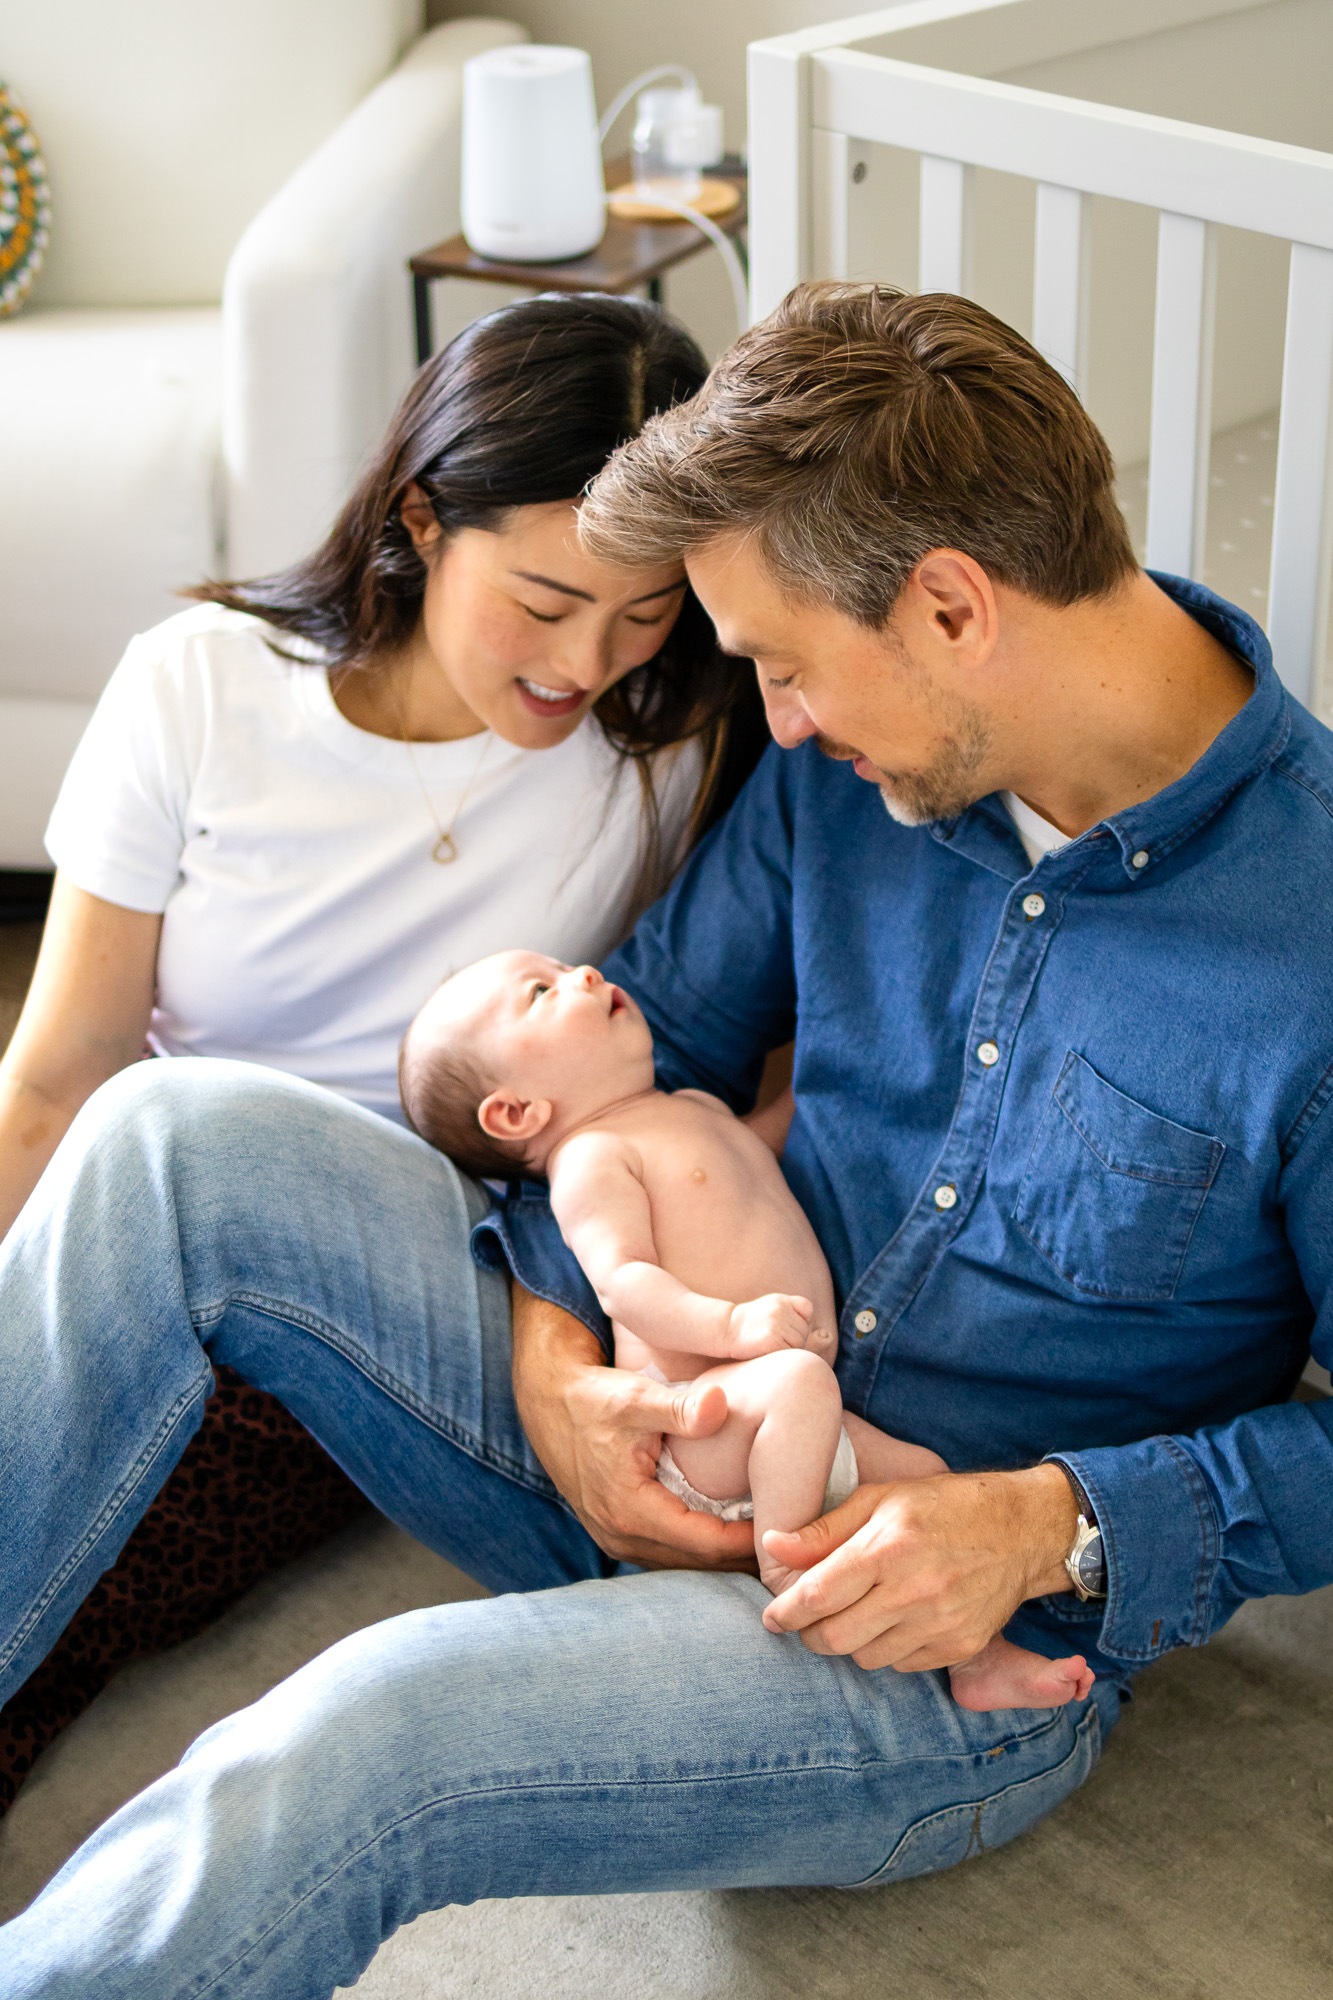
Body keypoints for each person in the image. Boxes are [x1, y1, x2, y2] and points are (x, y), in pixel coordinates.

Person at [3, 282, 1333, 1998]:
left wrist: (1043, 1527)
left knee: (359, 1733)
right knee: (168, 1135)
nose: (768, 722)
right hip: (645, 1431)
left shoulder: (1305, 949)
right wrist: (556, 1357)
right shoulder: (846, 773)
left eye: (779, 665)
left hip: (914, 1641)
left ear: (947, 607)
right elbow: (644, 1044)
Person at [0, 293, 764, 1788]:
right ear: (421, 516)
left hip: (405, 1269)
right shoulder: (201, 686)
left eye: (643, 607)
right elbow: (58, 1072)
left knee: (103, 1562)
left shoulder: (671, 745)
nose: (586, 661)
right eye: (543, 602)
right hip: (150, 1209)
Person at [398, 945, 1093, 1710]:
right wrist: (731, 1324)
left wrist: (841, 1061)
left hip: (789, 1415)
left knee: (926, 1480)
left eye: (565, 968)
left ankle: (977, 1662)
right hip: (707, 1420)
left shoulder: (688, 1110)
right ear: (514, 1112)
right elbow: (624, 1285)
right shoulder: (590, 1159)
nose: (583, 975)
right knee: (797, 1381)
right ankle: (790, 1571)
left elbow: (771, 1133)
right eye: (541, 991)